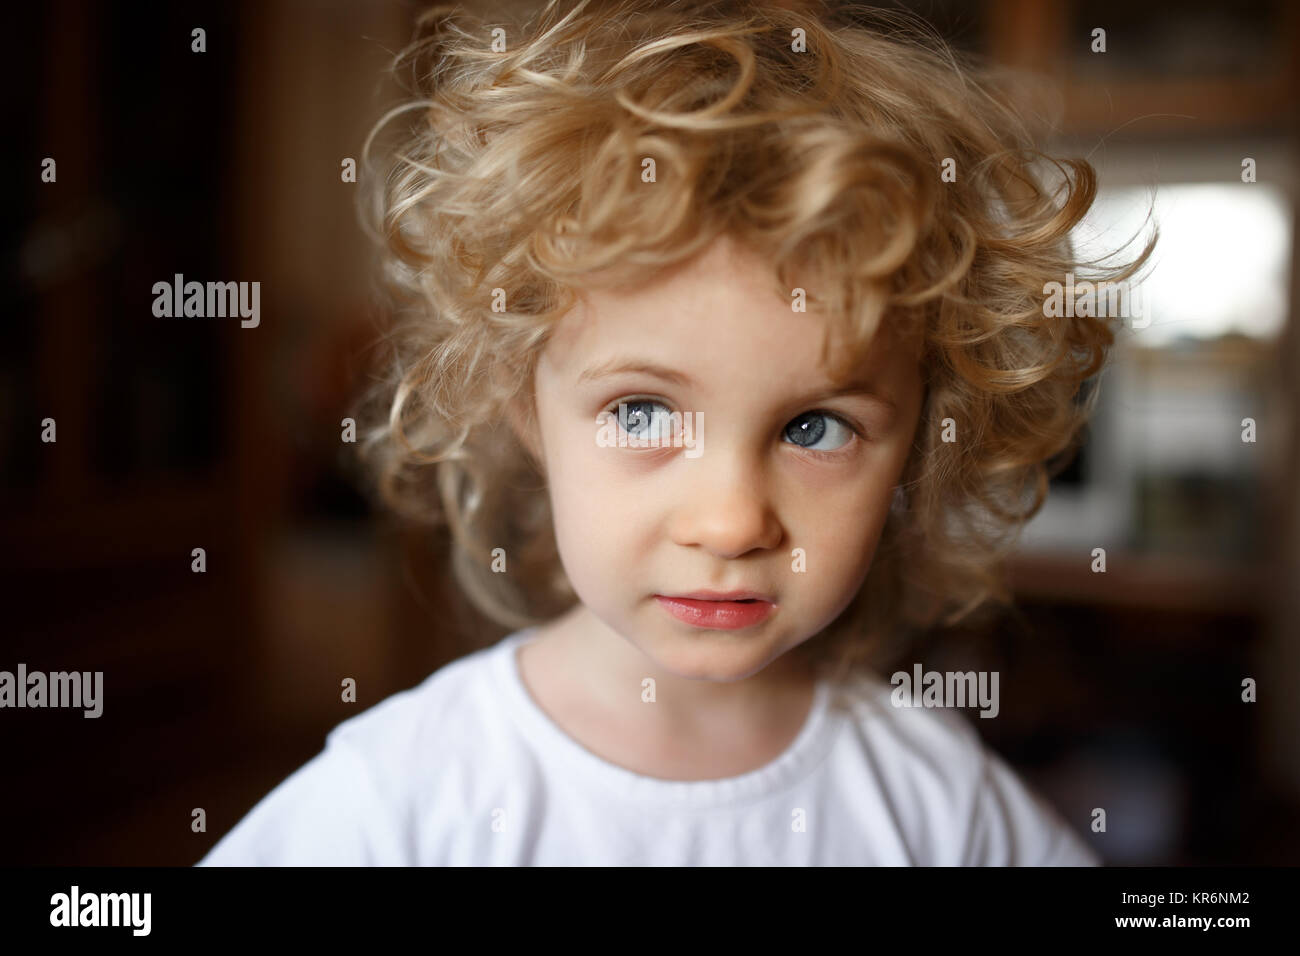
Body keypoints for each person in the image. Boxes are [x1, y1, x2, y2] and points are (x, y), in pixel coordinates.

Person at [199, 0, 1151, 866]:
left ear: (917, 443)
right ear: (528, 409)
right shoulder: (402, 796)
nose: (732, 521)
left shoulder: (936, 801)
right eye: (644, 413)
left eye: (816, 426)